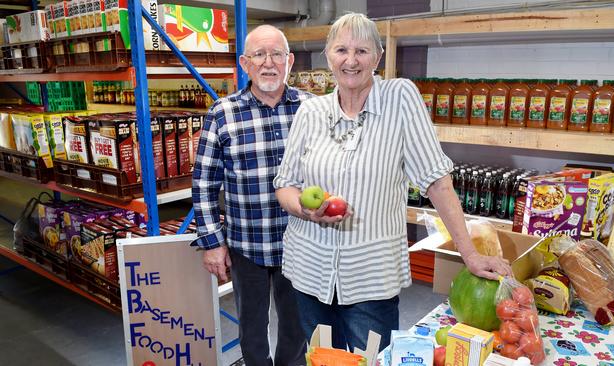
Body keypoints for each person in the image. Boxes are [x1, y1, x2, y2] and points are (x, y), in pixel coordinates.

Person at [273, 13, 512, 352]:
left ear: (378, 56)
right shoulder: (310, 113)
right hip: (310, 271)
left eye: (362, 51)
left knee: (370, 358)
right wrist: (304, 209)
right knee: (323, 359)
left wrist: (469, 254)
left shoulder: (399, 99)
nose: (351, 61)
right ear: (328, 56)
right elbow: (285, 185)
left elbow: (437, 182)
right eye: (341, 50)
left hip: (371, 278)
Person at [192, 24, 312, 366]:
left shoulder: (313, 109)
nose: (268, 63)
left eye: (276, 54)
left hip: (301, 244)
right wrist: (212, 243)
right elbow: (204, 183)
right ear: (245, 64)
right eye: (259, 54)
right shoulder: (222, 113)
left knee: (296, 327)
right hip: (248, 245)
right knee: (252, 330)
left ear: (290, 61)